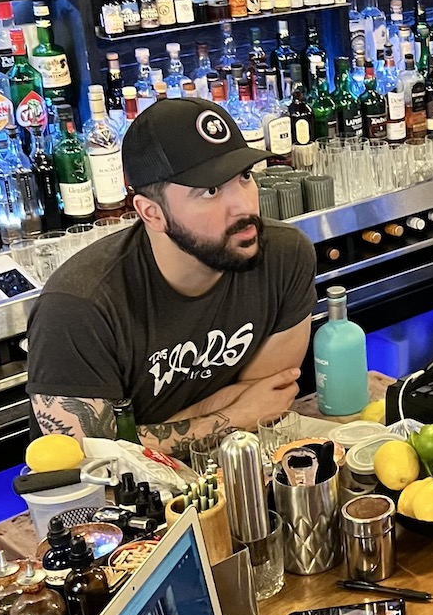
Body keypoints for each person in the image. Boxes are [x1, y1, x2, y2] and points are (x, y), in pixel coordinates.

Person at [28, 97, 314, 458]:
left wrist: (145, 433)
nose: (244, 206)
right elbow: (87, 460)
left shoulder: (284, 256)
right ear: (152, 213)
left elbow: (269, 403)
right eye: (210, 191)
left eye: (244, 177)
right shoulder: (77, 308)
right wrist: (233, 417)